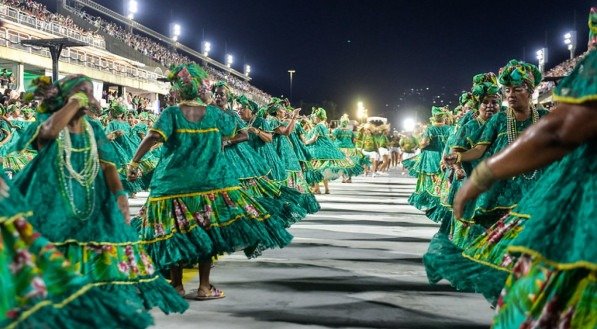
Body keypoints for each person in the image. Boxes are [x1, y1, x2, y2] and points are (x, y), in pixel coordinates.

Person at [13, 74, 188, 318]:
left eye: (90, 91)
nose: (90, 96)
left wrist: (120, 196)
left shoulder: (94, 127)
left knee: (95, 261)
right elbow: (47, 134)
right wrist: (73, 104)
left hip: (91, 204)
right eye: (84, 91)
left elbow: (108, 166)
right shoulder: (48, 121)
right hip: (52, 207)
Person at [454, 46, 597, 329]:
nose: (509, 95)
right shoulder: (497, 121)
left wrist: (481, 176)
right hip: (509, 192)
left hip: (560, 200)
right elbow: (481, 147)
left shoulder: (543, 115)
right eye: (506, 90)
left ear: (529, 89)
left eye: (516, 88)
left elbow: (559, 132)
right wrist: (460, 162)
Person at [128, 64, 292, 299]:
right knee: (207, 231)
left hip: (173, 185)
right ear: (199, 89)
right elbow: (242, 133)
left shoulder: (171, 114)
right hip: (210, 184)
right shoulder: (215, 115)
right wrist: (221, 141)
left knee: (175, 232)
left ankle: (176, 285)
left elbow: (153, 137)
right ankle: (205, 287)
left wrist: (134, 164)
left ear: (180, 90)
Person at [304, 107, 356, 194]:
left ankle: (317, 188)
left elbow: (314, 139)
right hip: (327, 149)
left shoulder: (318, 126)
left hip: (317, 150)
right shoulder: (324, 126)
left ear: (318, 118)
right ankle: (327, 189)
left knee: (315, 169)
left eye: (315, 117)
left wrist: (305, 143)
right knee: (324, 169)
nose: (314, 119)